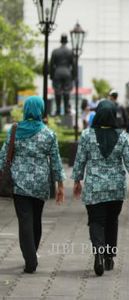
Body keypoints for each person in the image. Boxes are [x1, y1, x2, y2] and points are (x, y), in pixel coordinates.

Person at [72, 100, 129, 276]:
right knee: (111, 221)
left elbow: (80, 160)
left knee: (96, 221)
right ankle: (109, 257)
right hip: (116, 188)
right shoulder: (121, 136)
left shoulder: (86, 135)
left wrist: (77, 181)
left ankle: (98, 254)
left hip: (94, 187)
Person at [0, 96, 65, 273]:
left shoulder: (15, 130)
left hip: (19, 184)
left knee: (25, 221)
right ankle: (32, 253)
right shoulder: (48, 134)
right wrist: (60, 185)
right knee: (36, 218)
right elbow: (56, 162)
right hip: (41, 183)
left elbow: (4, 156)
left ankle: (30, 259)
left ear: (26, 109)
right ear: (41, 110)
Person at [49, 34, 74, 115]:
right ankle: (66, 109)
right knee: (67, 92)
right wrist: (73, 76)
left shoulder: (55, 51)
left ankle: (58, 109)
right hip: (67, 72)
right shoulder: (70, 52)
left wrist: (52, 75)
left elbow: (51, 64)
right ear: (66, 41)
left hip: (58, 72)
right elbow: (74, 65)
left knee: (57, 92)